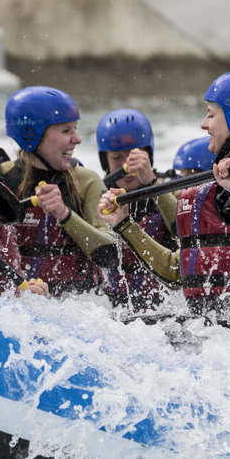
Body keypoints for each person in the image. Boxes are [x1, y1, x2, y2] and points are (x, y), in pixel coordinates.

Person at [98, 71, 230, 336]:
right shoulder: (216, 188)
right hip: (224, 340)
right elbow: (174, 272)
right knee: (122, 327)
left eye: (211, 114)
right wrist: (123, 224)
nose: (204, 124)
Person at [0, 86, 117, 296]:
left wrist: (65, 214)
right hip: (13, 306)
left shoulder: (87, 181)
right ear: (33, 136)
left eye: (75, 128)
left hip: (79, 309)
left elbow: (109, 255)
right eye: (66, 131)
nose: (77, 139)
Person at [95, 108, 179, 311]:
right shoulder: (98, 196)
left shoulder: (171, 189)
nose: (126, 166)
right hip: (112, 309)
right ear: (104, 161)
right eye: (116, 157)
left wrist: (151, 181)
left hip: (162, 309)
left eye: (134, 157)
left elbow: (184, 230)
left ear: (148, 155)